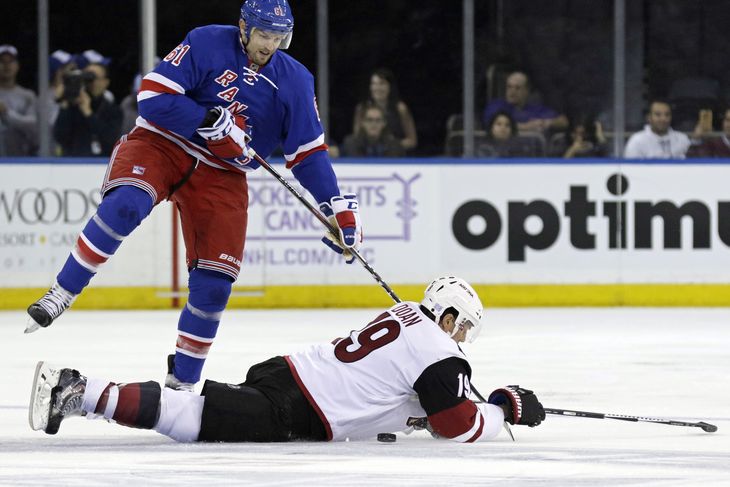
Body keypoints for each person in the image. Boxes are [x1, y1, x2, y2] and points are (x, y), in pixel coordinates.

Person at [25, 0, 364, 395]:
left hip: (223, 174)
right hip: (163, 143)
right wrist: (206, 119)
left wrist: (334, 204)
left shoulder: (296, 80)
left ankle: (181, 385)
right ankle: (63, 291)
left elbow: (307, 154)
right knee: (126, 204)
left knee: (216, 284)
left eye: (278, 37)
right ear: (243, 27)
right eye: (263, 35)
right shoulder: (206, 42)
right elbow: (151, 96)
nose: (269, 45)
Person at [29, 276, 546, 443]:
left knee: (203, 410)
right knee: (192, 418)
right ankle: (78, 390)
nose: (463, 338)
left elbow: (415, 405)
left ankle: (84, 394)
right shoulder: (441, 350)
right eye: (464, 326)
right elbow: (455, 425)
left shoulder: (407, 315)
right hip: (300, 406)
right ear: (451, 315)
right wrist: (503, 409)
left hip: (290, 372)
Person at [53, 50, 123, 156]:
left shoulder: (113, 110)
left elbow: (110, 140)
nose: (89, 82)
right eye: (86, 77)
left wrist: (88, 113)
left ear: (105, 82)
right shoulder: (73, 107)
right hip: (71, 165)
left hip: (102, 164)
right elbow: (60, 138)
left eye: (92, 78)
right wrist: (65, 105)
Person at [352, 67, 417, 152]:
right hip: (367, 155)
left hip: (395, 157)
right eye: (374, 84)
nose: (377, 88)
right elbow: (356, 138)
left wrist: (391, 146)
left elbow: (412, 141)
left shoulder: (400, 108)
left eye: (382, 83)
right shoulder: (362, 108)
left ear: (390, 86)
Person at [482, 71, 568, 135]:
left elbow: (564, 121)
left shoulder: (536, 109)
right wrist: (527, 127)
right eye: (509, 87)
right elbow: (490, 124)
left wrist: (547, 123)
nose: (512, 91)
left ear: (527, 91)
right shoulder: (496, 106)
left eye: (517, 88)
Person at [0, 44, 38, 156]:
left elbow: (32, 125)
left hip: (18, 158)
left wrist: (6, 112)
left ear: (17, 66)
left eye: (10, 61)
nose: (6, 66)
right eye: (2, 61)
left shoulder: (27, 95)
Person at [624, 99, 691, 159]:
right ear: (649, 117)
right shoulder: (637, 141)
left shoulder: (682, 139)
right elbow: (631, 169)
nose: (663, 119)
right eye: (658, 114)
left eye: (667, 115)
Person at [476, 111, 543, 157]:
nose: (503, 128)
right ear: (491, 127)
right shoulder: (483, 147)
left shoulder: (518, 149)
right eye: (498, 124)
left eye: (507, 125)